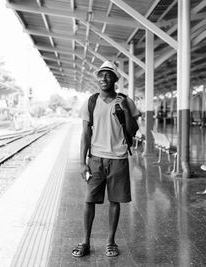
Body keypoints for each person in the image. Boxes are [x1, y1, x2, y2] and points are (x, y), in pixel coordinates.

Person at [72, 60, 140, 258]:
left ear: (115, 79)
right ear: (97, 78)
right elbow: (85, 134)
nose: (104, 78)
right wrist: (82, 162)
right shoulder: (91, 102)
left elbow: (133, 131)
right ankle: (85, 241)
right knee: (89, 200)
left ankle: (110, 242)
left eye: (108, 75)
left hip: (118, 158)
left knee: (115, 201)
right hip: (95, 159)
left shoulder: (126, 101)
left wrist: (125, 110)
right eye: (101, 75)